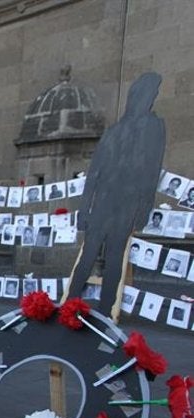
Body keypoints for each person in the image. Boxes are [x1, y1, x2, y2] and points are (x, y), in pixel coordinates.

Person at [67, 73, 166, 315]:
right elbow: (95, 172)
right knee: (94, 253)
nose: (151, 99)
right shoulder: (124, 130)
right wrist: (84, 208)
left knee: (112, 255)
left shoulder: (150, 127)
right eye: (150, 94)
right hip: (110, 200)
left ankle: (103, 307)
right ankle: (74, 303)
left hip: (124, 201)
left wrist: (144, 207)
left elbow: (151, 170)